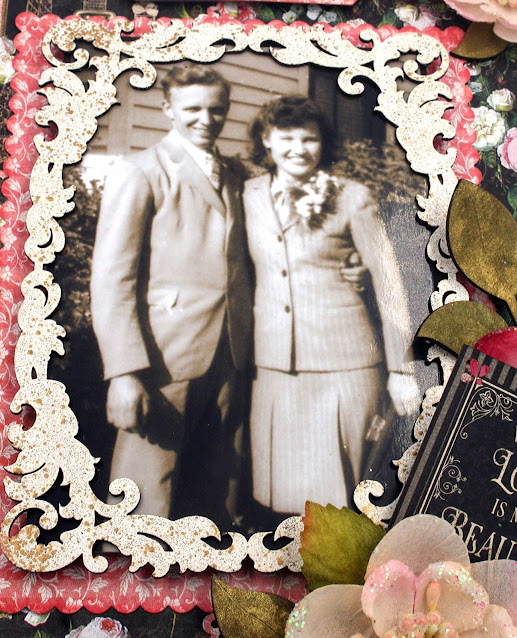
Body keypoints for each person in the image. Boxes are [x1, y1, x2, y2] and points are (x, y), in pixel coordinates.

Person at [90, 63, 253, 522]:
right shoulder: (141, 171)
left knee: (217, 489)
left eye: (216, 109)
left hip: (230, 351)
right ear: (167, 109)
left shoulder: (234, 175)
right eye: (193, 109)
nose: (206, 119)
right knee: (145, 492)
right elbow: (112, 278)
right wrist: (124, 373)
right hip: (163, 357)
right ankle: (128, 567)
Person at [243, 96, 421, 515]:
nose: (298, 149)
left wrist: (401, 369)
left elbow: (388, 281)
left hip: (344, 364)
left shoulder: (352, 197)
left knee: (342, 498)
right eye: (287, 138)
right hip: (275, 367)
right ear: (267, 140)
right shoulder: (248, 195)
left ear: (322, 144)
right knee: (284, 500)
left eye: (309, 139)